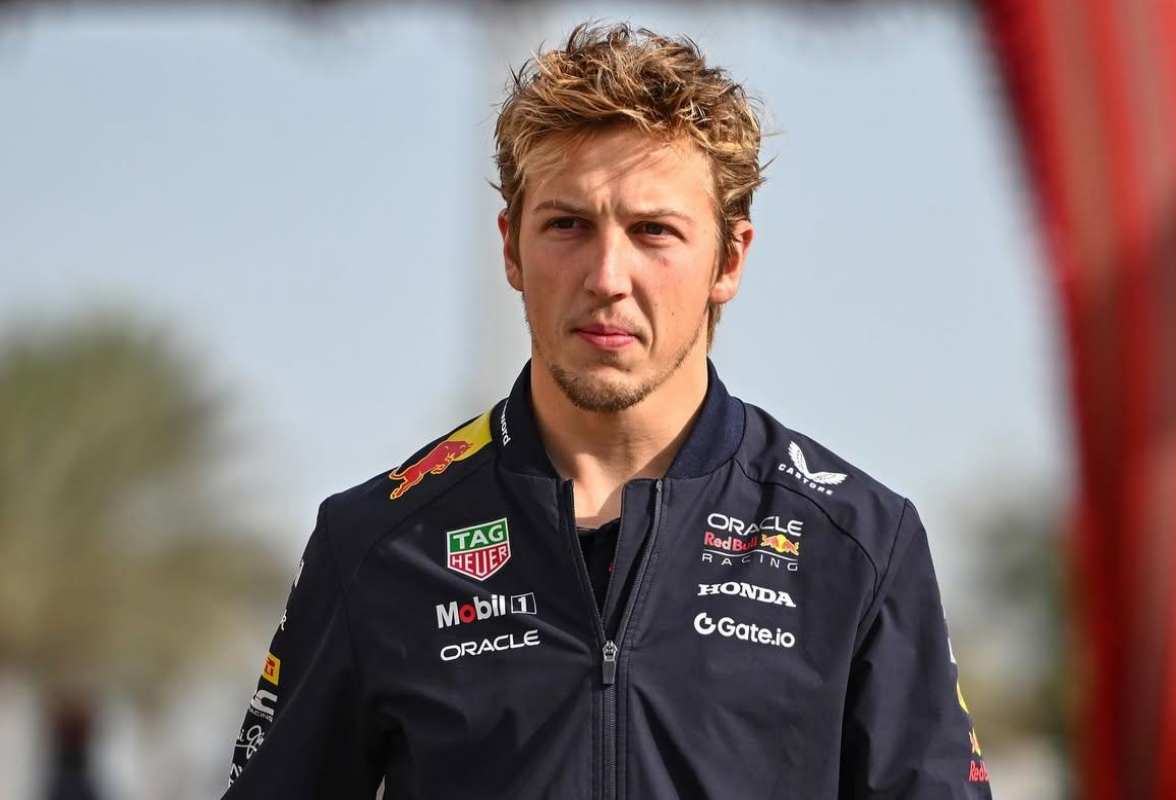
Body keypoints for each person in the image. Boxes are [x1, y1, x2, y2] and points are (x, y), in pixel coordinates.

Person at [222, 22, 992, 799]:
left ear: (729, 260)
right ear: (511, 250)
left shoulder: (856, 541)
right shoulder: (376, 543)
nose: (606, 277)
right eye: (568, 226)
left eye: (653, 231)